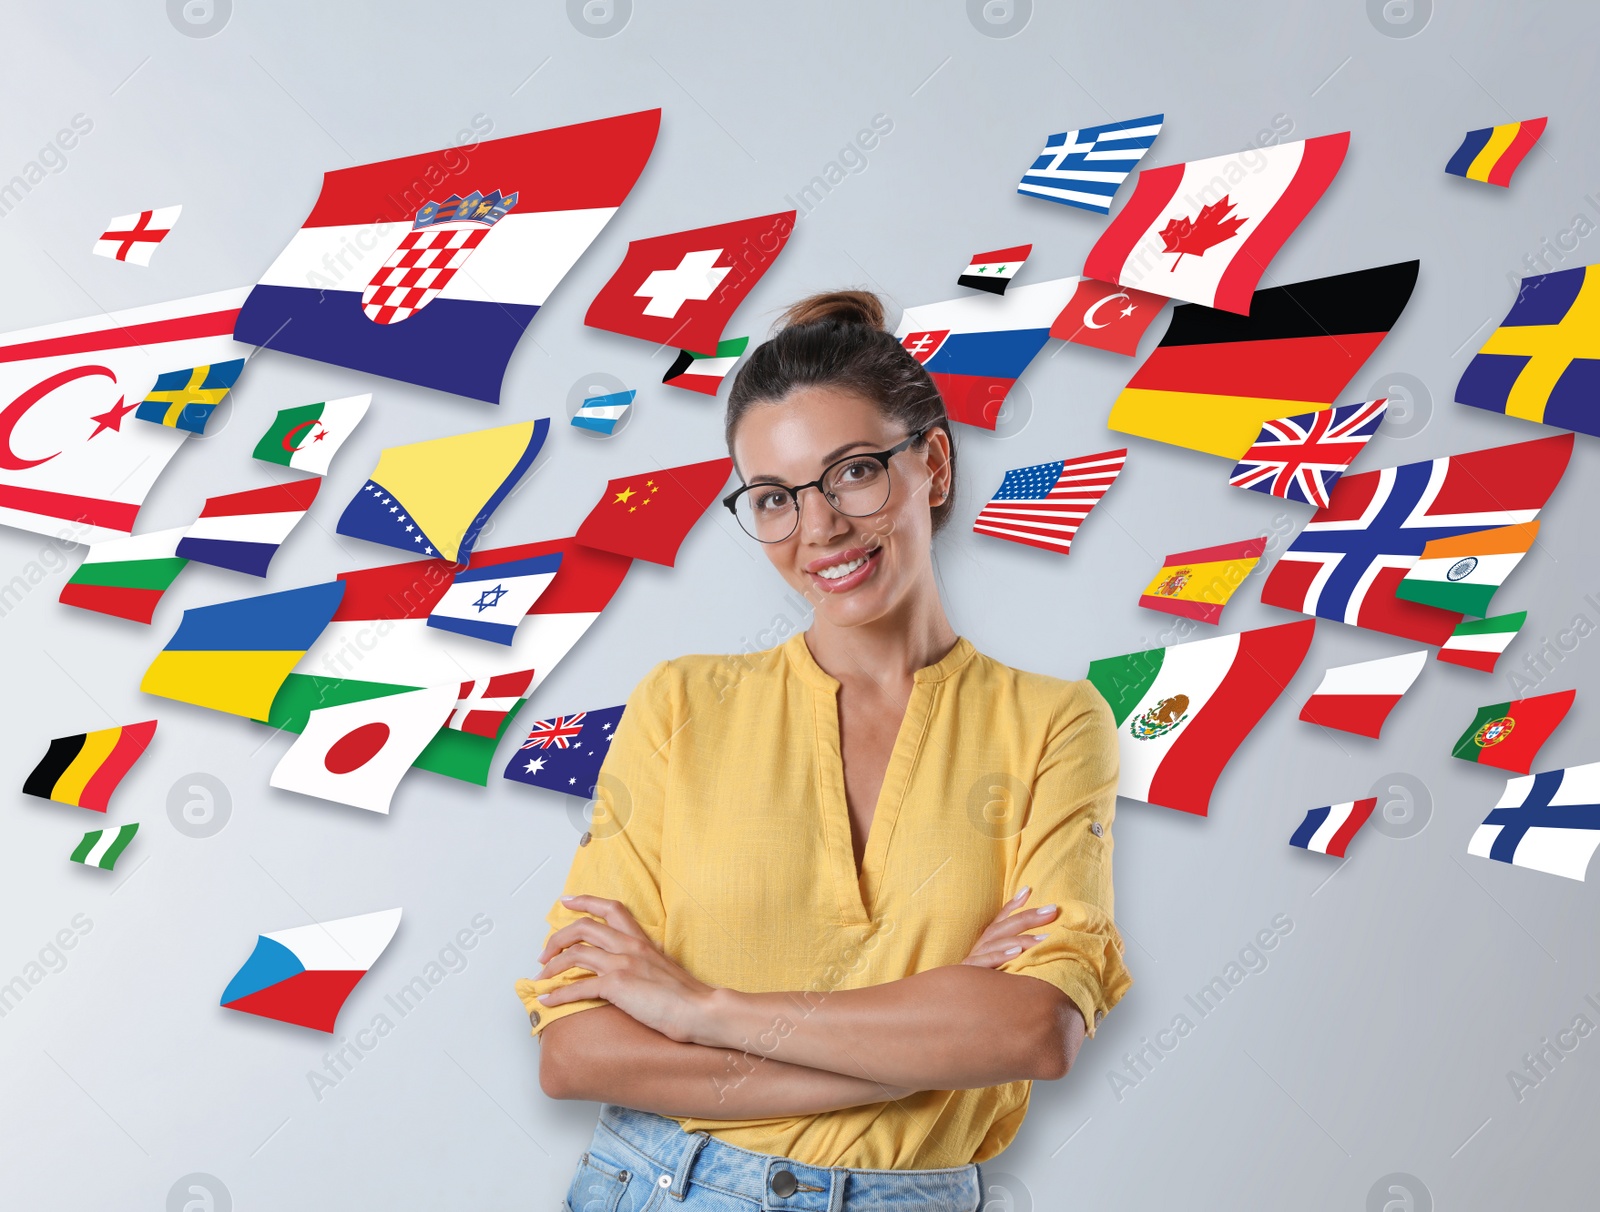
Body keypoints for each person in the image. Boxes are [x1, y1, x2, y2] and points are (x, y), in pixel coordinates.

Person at [517, 290, 1132, 1211]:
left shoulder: (1052, 723)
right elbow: (577, 1051)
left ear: (933, 463)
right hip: (657, 1186)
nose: (819, 529)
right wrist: (916, 1051)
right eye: (773, 498)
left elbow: (1033, 1029)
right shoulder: (681, 704)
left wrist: (698, 1011)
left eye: (852, 474)